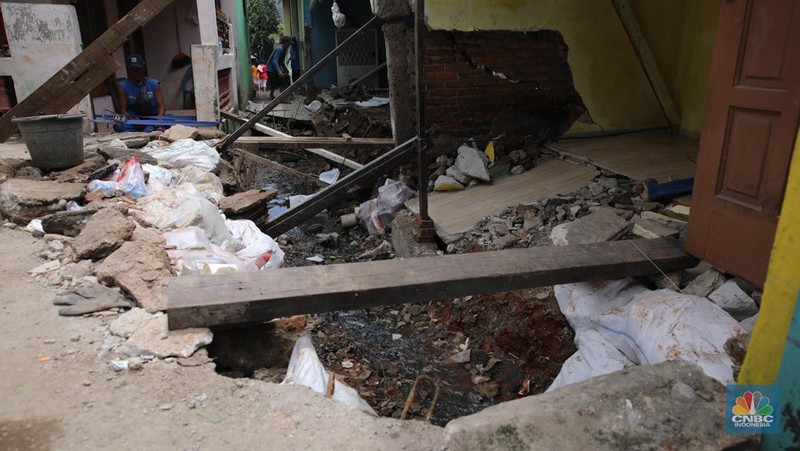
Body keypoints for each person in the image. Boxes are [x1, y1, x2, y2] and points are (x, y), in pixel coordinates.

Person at [114, 53, 165, 132]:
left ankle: (150, 128)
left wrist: (159, 119)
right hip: (133, 120)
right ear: (128, 70)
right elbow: (123, 109)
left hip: (151, 119)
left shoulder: (154, 84)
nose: (135, 73)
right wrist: (133, 119)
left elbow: (161, 106)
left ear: (143, 69)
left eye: (138, 70)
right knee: (118, 125)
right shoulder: (122, 86)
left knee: (168, 120)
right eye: (132, 70)